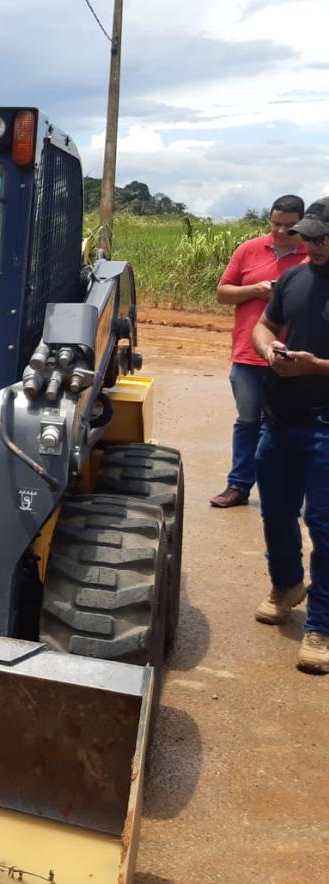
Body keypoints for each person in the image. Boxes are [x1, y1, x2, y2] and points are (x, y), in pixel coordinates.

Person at [251, 196, 329, 675]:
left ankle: (320, 624)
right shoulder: (295, 277)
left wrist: (316, 367)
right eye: (309, 236)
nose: (312, 245)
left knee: (324, 526)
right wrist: (270, 348)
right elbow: (263, 324)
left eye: (322, 238)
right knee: (276, 512)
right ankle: (286, 585)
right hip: (278, 420)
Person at [211, 194, 307, 508]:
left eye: (290, 227)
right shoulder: (249, 249)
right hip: (248, 354)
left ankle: (283, 493)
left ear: (302, 225)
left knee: (287, 425)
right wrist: (257, 290)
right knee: (248, 421)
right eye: (276, 224)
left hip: (294, 358)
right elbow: (223, 293)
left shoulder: (313, 255)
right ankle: (238, 486)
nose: (281, 232)